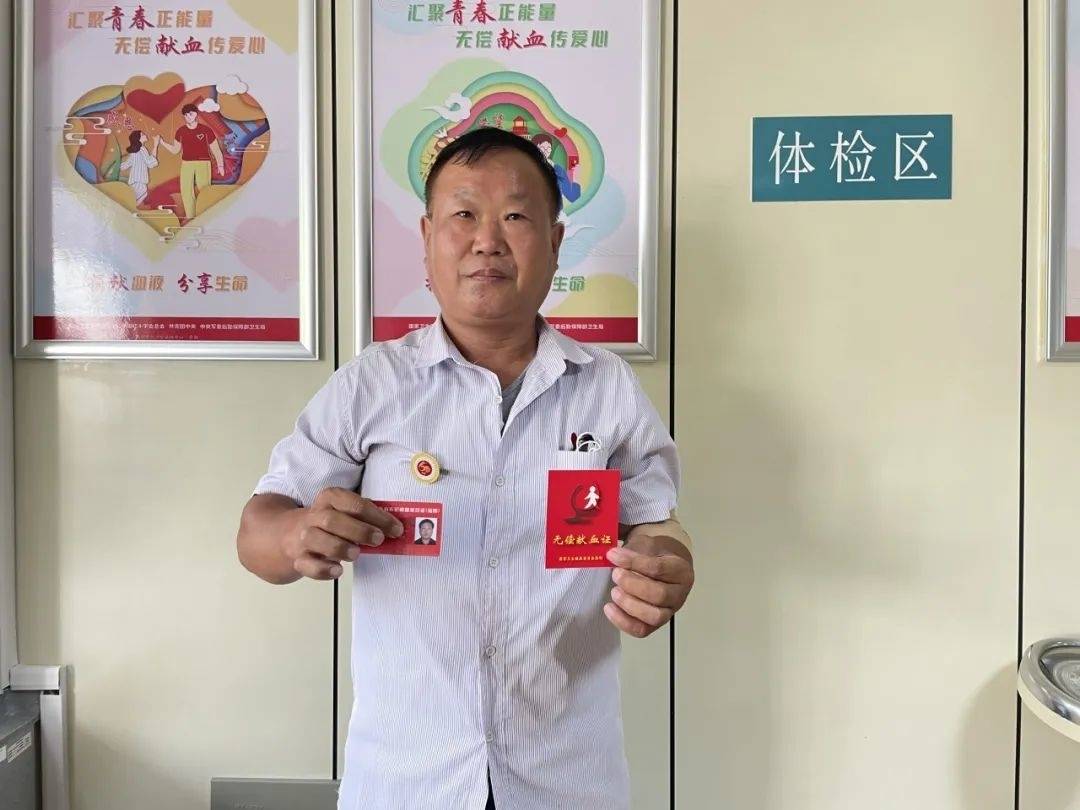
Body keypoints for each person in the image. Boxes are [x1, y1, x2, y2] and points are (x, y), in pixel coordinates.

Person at [236, 127, 695, 810]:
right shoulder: (372, 385)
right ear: (427, 239)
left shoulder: (607, 390)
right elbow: (257, 531)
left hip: (566, 780)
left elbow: (657, 526)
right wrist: (296, 533)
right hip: (405, 782)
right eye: (463, 215)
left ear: (555, 242)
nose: (488, 241)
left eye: (515, 216)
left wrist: (667, 568)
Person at [159, 103, 225, 220]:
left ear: (196, 114)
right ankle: (191, 217)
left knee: (204, 189)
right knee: (186, 191)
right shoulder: (181, 131)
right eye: (185, 115)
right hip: (186, 163)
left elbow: (216, 149)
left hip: (203, 163)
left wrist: (220, 166)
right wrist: (162, 143)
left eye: (190, 113)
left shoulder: (206, 130)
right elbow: (175, 150)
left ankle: (206, 215)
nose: (188, 116)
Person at [531, 132, 581, 204]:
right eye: (542, 148)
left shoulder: (557, 169)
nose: (546, 151)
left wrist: (576, 177)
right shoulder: (527, 167)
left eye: (549, 148)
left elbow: (571, 195)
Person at [119, 130, 159, 207]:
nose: (145, 135)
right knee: (133, 201)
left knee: (134, 199)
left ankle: (129, 210)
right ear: (138, 138)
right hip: (139, 181)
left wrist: (117, 167)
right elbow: (150, 163)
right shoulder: (141, 149)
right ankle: (128, 210)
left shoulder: (136, 151)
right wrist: (155, 145)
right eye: (143, 134)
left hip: (135, 181)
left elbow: (126, 164)